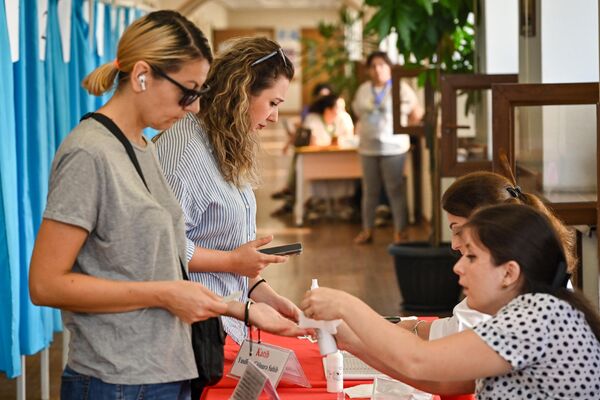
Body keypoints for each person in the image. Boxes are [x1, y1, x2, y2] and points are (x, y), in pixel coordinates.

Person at [29, 12, 304, 399]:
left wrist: (241, 306)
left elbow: (158, 261)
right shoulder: (89, 153)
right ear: (142, 76)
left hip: (166, 366)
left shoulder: (141, 148)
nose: (194, 108)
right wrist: (167, 293)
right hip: (117, 376)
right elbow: (45, 284)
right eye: (188, 91)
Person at [301, 203, 600, 398]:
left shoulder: (538, 315)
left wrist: (345, 304)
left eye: (472, 256)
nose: (458, 266)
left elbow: (419, 361)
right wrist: (348, 339)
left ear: (509, 272)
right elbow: (445, 382)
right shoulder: (539, 310)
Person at [155, 37, 300, 345]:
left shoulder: (224, 142)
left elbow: (222, 240)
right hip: (189, 330)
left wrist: (263, 293)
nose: (274, 117)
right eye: (272, 103)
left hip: (225, 320)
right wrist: (233, 263)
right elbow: (163, 245)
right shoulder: (184, 152)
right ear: (241, 91)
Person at [398, 169, 577, 340]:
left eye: (460, 231)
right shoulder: (534, 271)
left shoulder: (527, 314)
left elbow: (458, 341)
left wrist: (411, 328)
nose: (454, 246)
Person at [352, 51, 424, 245]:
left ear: (390, 68)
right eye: (373, 66)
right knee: (370, 191)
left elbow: (416, 113)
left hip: (394, 148)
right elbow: (359, 114)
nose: (377, 70)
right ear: (368, 70)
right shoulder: (363, 90)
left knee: (395, 190)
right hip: (368, 147)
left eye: (382, 65)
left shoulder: (401, 88)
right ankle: (367, 230)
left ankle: (401, 233)